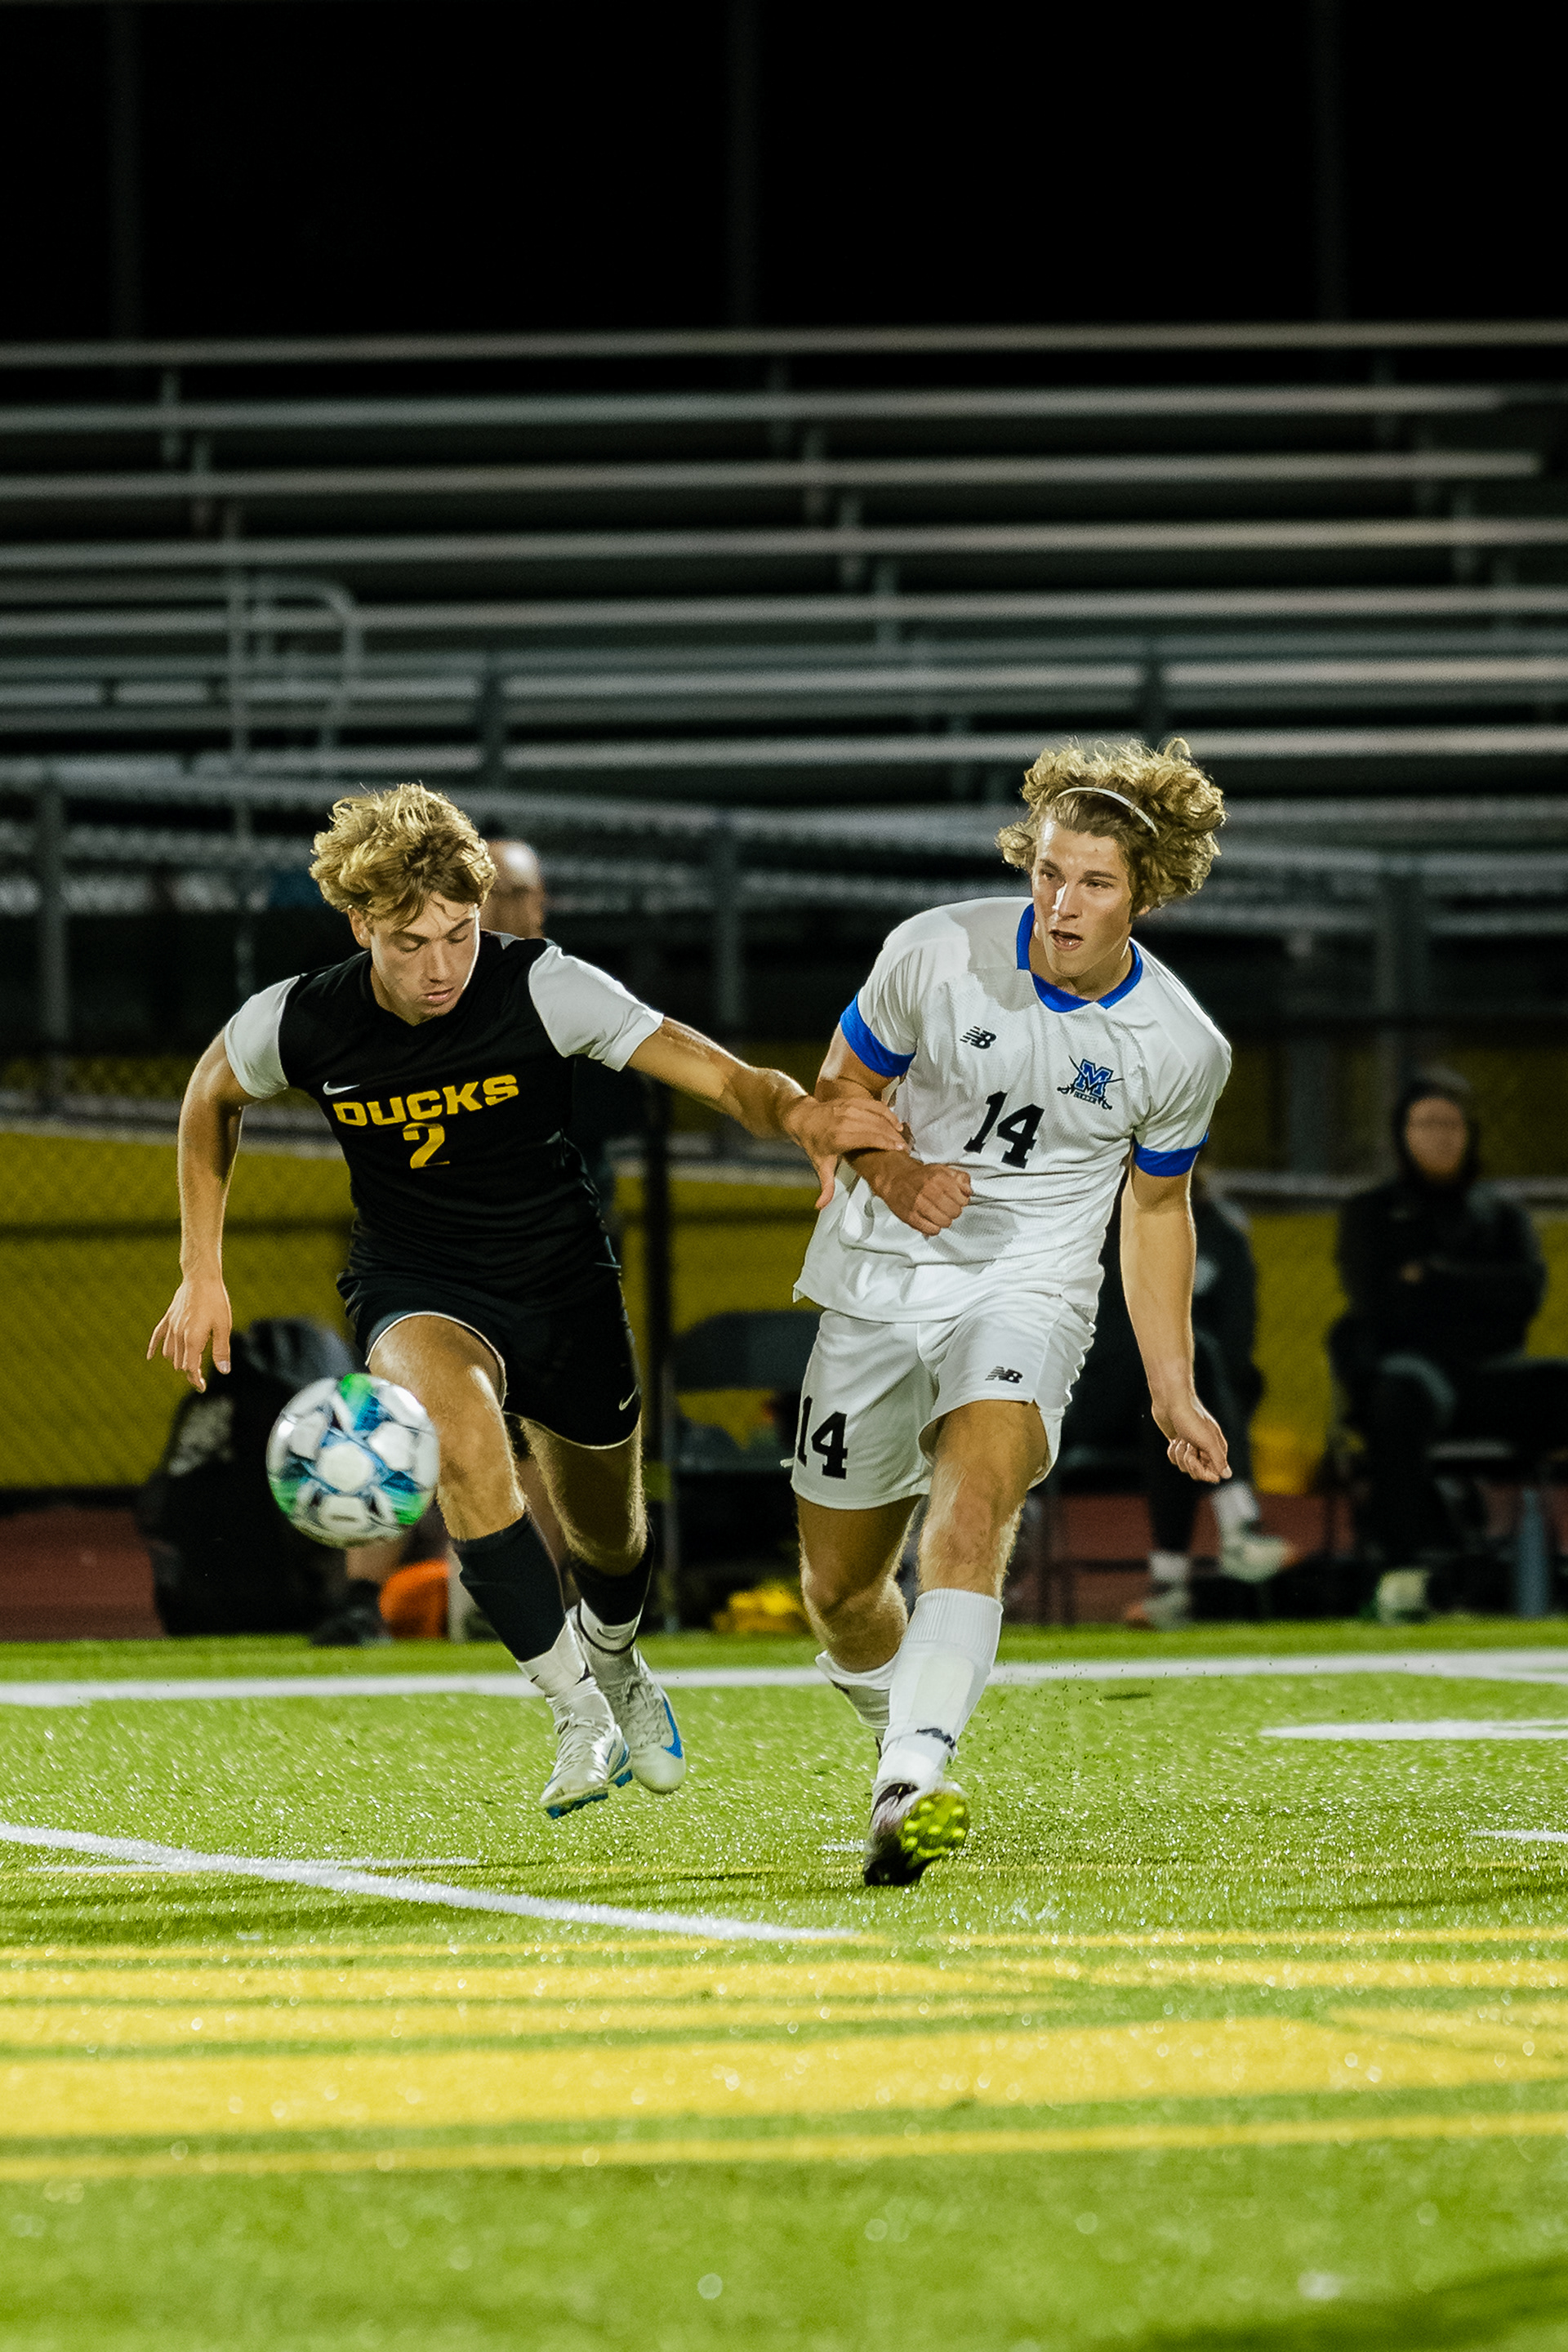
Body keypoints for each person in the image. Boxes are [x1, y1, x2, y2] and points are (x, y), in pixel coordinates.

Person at [148, 782, 902, 1819]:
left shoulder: (545, 987)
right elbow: (209, 1094)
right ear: (361, 925)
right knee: (459, 1442)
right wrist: (202, 1270)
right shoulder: (302, 1018)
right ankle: (576, 1708)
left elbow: (725, 1079)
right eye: (412, 943)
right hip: (416, 1280)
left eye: (460, 935)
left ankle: (617, 1658)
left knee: (613, 1542)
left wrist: (804, 1116)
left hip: (561, 1283)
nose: (442, 966)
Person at [791, 737, 1234, 1886]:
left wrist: (1172, 1385)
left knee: (974, 1505)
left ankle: (912, 1778)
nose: (1060, 903)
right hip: (879, 1278)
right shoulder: (934, 950)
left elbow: (1156, 1210)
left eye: (1094, 883)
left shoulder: (1180, 1045)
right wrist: (896, 1175)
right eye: (1047, 872)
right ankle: (901, 1724)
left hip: (1029, 1288)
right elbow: (841, 1095)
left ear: (1144, 895)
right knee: (840, 1595)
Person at [1331, 1068, 1567, 1586]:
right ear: (1402, 1134)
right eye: (1426, 1124)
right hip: (1416, 1375)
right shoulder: (1370, 1213)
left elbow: (1526, 1295)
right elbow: (1376, 1302)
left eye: (1450, 1124)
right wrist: (1479, 1291)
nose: (1440, 1136)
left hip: (1491, 1376)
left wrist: (1433, 1277)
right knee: (1398, 1394)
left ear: (1469, 1133)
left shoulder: (1503, 1214)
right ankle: (1403, 1572)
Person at [1058, 1171, 1290, 1630]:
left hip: (1180, 1408)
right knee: (1181, 1359)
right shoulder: (1094, 1221)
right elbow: (1101, 1340)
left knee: (1173, 1407)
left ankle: (1170, 1585)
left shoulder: (1221, 1234)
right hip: (1099, 1402)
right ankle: (1238, 1524)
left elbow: (1239, 1338)